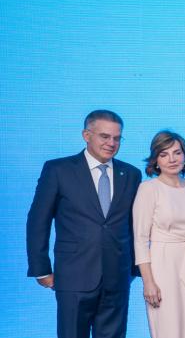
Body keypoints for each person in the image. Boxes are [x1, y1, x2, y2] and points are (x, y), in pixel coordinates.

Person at [26, 110, 143, 338]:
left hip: (117, 277)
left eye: (117, 138)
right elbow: (38, 221)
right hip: (73, 276)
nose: (111, 143)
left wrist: (133, 268)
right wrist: (41, 269)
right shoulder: (58, 170)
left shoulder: (131, 174)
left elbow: (133, 224)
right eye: (104, 136)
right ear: (86, 135)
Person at [132, 131, 185, 338]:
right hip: (162, 265)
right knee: (167, 328)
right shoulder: (148, 189)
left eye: (177, 153)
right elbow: (140, 239)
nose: (172, 159)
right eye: (164, 154)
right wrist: (148, 282)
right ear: (156, 160)